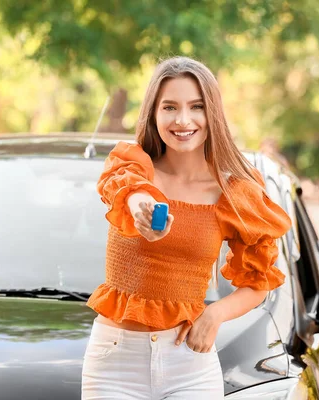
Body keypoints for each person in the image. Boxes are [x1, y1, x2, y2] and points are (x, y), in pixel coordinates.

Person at [81, 56, 292, 400]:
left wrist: (215, 314)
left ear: (213, 114)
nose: (183, 120)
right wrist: (142, 212)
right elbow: (132, 194)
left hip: (189, 364)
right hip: (115, 364)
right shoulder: (133, 168)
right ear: (153, 113)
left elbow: (259, 282)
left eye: (197, 106)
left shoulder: (235, 193)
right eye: (169, 107)